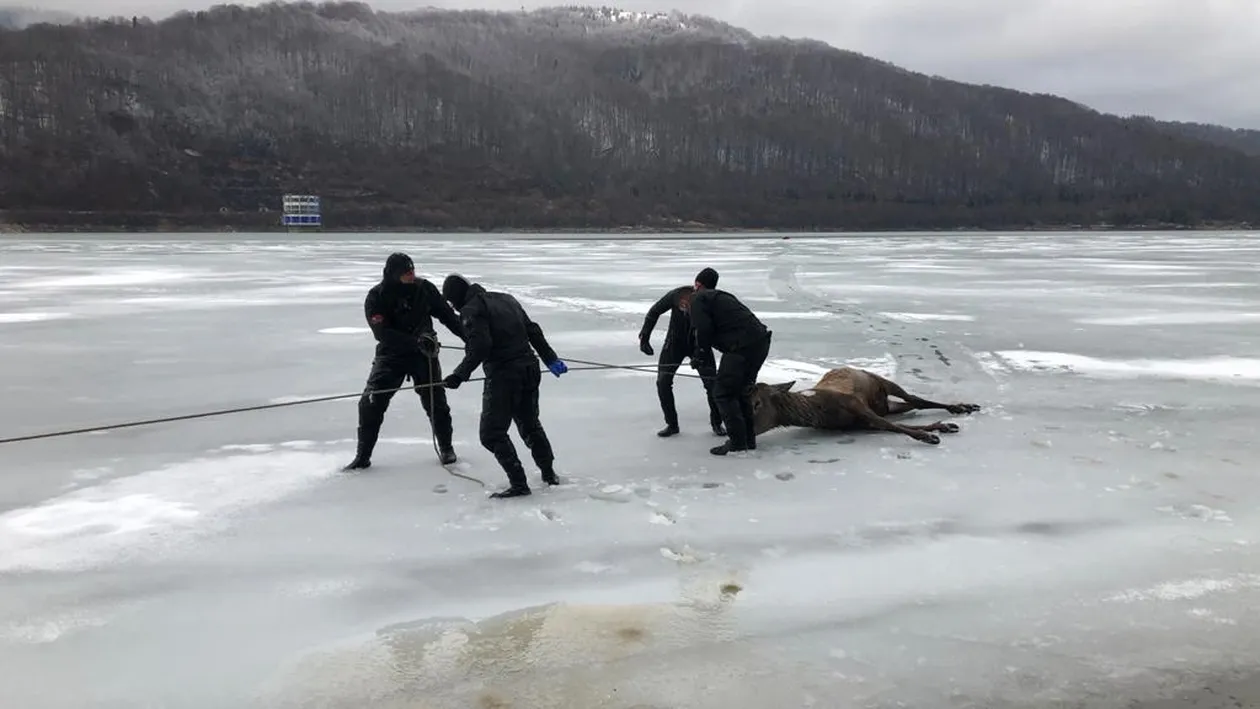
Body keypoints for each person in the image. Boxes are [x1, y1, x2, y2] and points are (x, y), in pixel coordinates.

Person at [440, 273, 569, 499]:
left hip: (504, 376)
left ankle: (519, 484)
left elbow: (481, 346)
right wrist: (550, 359)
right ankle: (549, 474)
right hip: (529, 368)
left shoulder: (471, 309)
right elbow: (532, 330)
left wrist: (459, 375)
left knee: (491, 433)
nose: (454, 308)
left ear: (457, 297)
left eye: (452, 303)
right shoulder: (506, 299)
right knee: (530, 425)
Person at [343, 252, 465, 472]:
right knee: (370, 403)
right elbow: (381, 333)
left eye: (412, 271)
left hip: (425, 355)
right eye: (406, 273)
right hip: (391, 356)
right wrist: (414, 342)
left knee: (436, 403)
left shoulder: (424, 289)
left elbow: (448, 316)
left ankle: (446, 448)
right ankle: (363, 456)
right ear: (393, 274)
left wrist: (471, 339)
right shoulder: (376, 296)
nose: (411, 275)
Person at [685, 267, 773, 456]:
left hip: (741, 348)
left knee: (723, 393)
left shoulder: (698, 298)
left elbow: (703, 329)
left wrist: (699, 354)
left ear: (697, 284)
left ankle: (737, 443)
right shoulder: (721, 297)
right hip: (760, 343)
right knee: (741, 392)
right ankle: (748, 440)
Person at [638, 274, 725, 438]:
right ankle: (672, 424)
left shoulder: (714, 301)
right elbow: (655, 311)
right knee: (663, 382)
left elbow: (720, 328)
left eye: (704, 288)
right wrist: (644, 336)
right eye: (697, 286)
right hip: (674, 344)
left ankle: (717, 423)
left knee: (712, 384)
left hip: (700, 345)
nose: (698, 290)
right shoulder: (678, 294)